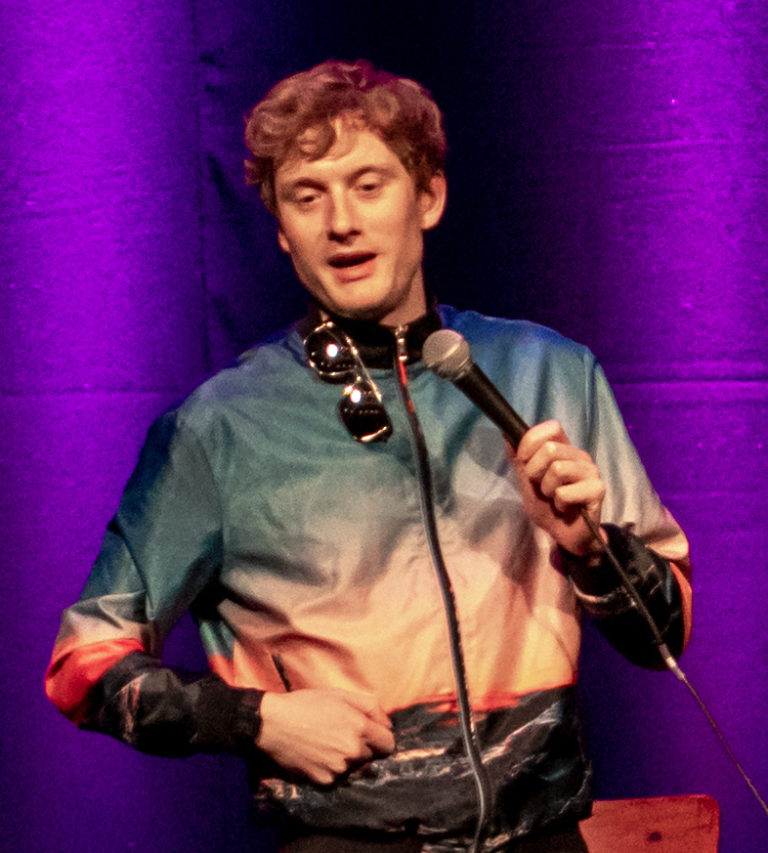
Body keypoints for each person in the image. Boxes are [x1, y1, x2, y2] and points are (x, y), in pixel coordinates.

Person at [45, 59, 692, 853]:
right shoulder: (219, 427)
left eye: (368, 185)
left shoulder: (547, 373)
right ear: (282, 230)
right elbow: (83, 663)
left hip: (542, 838)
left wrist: (592, 553)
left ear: (428, 197)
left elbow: (668, 634)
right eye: (307, 196)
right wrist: (255, 718)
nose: (341, 221)